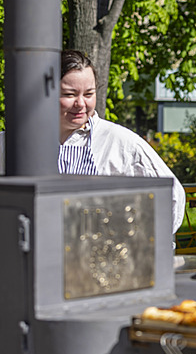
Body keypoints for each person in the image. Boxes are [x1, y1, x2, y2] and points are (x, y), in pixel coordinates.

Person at [0, 50, 185, 234]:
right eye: (70, 94)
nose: (81, 104)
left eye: (88, 94)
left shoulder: (120, 142)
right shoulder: (11, 142)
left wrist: (137, 244)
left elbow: (173, 197)